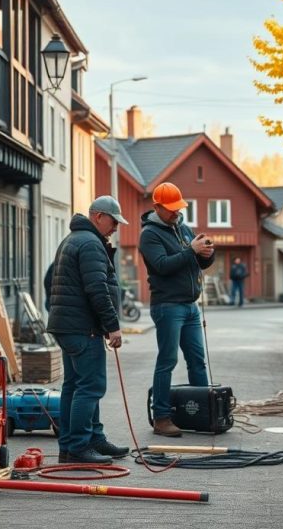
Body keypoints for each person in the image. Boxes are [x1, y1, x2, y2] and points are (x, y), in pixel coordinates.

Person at [46, 196, 130, 464]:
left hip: (67, 325)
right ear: (98, 216)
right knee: (91, 386)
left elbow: (50, 280)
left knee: (74, 385)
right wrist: (112, 326)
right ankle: (80, 447)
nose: (116, 227)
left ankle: (80, 443)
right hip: (82, 328)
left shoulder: (72, 240)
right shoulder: (91, 244)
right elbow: (97, 289)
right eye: (113, 221)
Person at [139, 182, 215, 437]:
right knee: (167, 361)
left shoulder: (182, 227)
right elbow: (162, 265)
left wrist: (206, 254)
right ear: (157, 207)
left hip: (190, 306)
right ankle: (161, 418)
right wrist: (190, 251)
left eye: (178, 208)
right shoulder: (149, 234)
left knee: (197, 361)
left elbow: (194, 263)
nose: (175, 213)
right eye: (170, 209)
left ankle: (206, 412)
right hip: (167, 306)